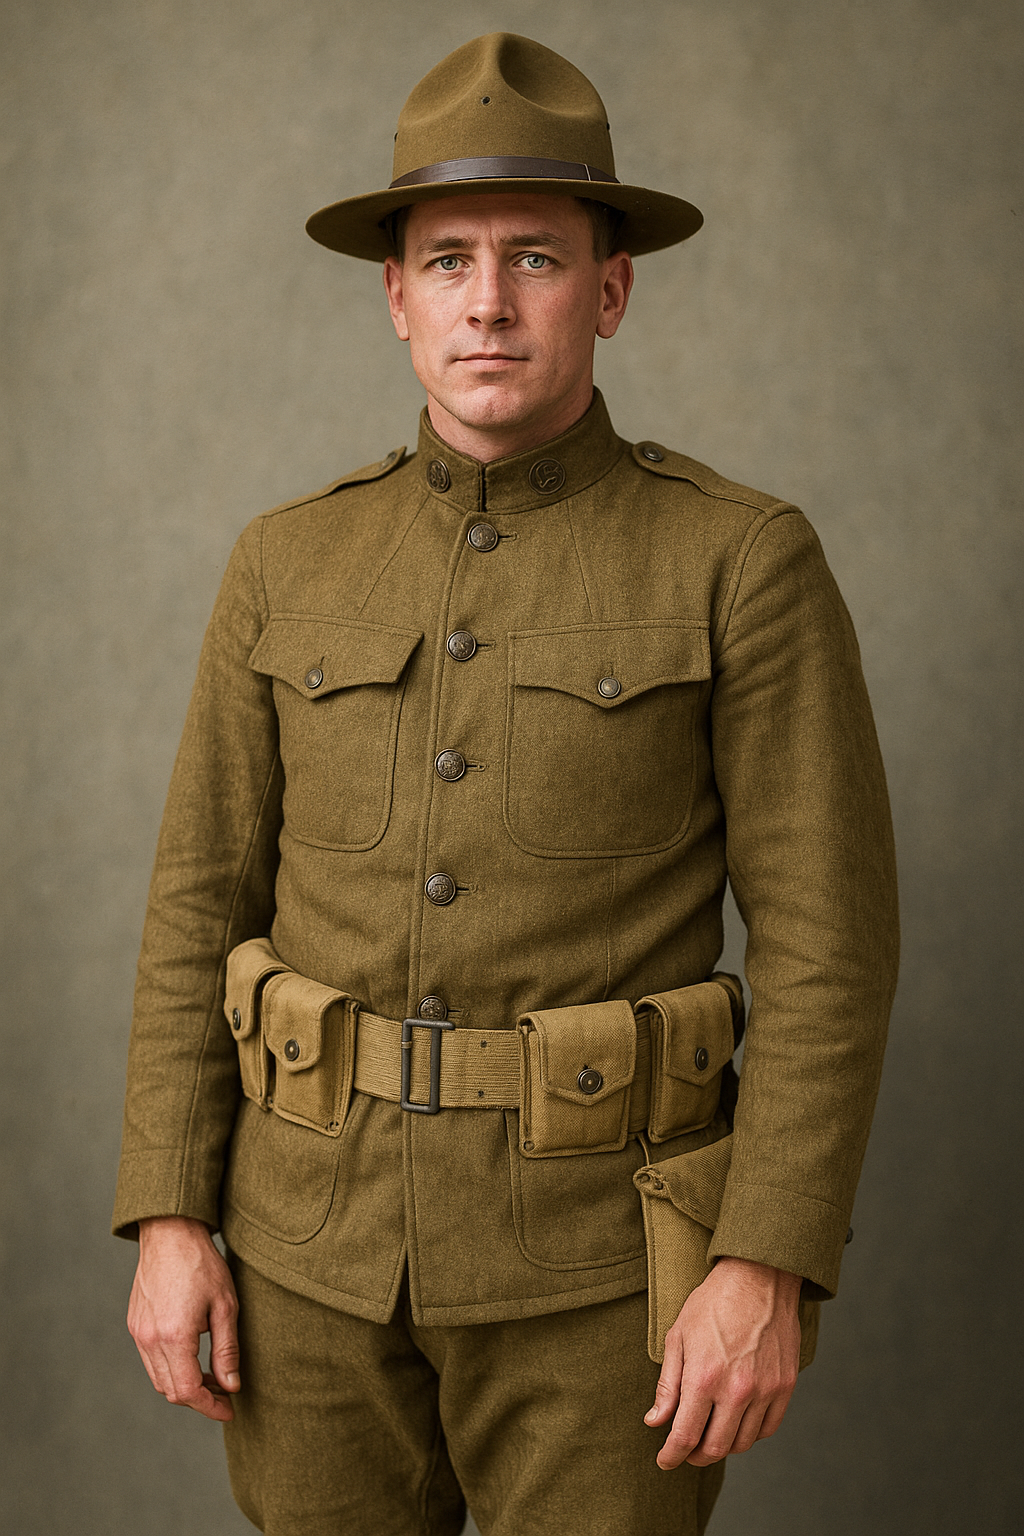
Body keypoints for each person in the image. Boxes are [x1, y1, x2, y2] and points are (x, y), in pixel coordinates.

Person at [114, 32, 899, 1536]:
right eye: (448, 258)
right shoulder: (286, 561)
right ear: (393, 296)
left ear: (609, 290)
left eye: (535, 257)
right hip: (307, 1265)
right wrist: (168, 1213)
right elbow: (192, 909)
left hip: (607, 1288)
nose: (488, 300)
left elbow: (830, 950)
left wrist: (767, 1261)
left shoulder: (740, 560)